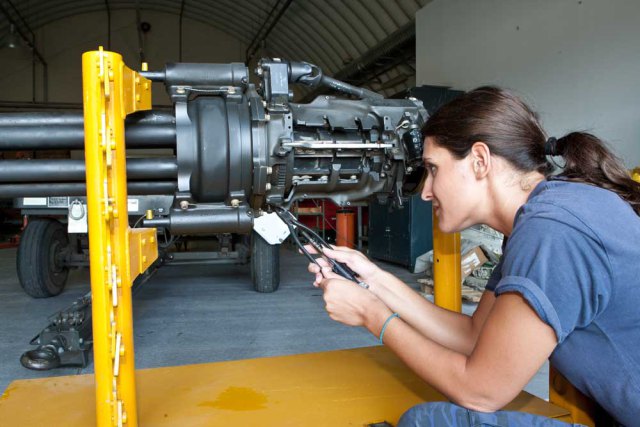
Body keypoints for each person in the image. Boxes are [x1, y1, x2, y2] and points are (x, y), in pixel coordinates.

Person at [306, 86, 640, 426]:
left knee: (428, 422)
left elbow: (481, 392)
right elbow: (473, 335)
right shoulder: (543, 218)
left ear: (480, 161)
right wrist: (374, 280)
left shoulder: (552, 232)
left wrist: (370, 315)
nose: (425, 191)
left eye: (434, 169)